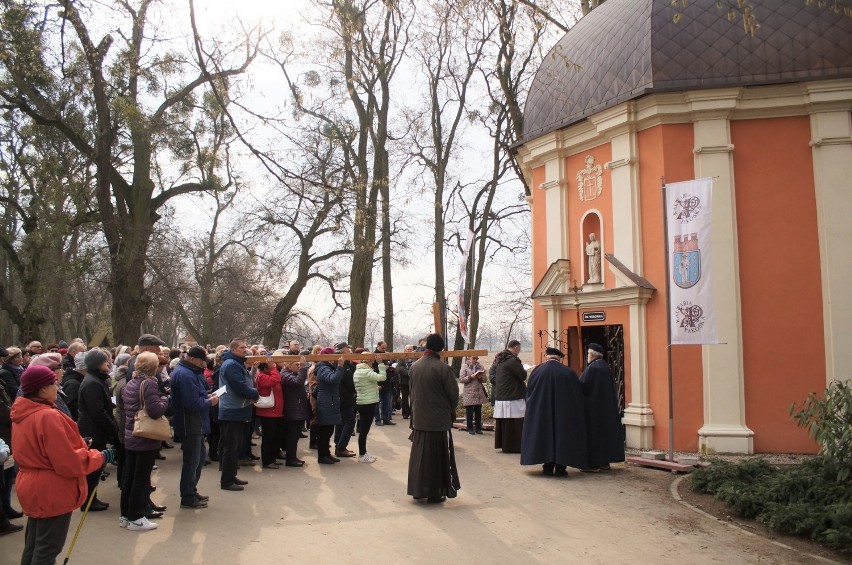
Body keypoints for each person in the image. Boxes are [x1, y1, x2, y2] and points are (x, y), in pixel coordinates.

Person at [11, 365, 113, 561]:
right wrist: (100, 457)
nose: (57, 388)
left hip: (32, 484)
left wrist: (79, 444)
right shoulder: (47, 416)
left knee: (34, 544)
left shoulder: (23, 411)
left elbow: (42, 448)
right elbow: (68, 463)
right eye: (54, 383)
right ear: (42, 389)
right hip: (51, 489)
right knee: (48, 549)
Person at [407, 333, 460, 504]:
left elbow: (412, 391)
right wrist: (450, 411)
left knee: (419, 457)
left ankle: (417, 490)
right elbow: (453, 395)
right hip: (437, 420)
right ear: (441, 349)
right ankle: (435, 492)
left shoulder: (415, 366)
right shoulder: (442, 368)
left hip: (419, 418)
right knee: (436, 458)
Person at [521, 347, 589, 476]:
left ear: (547, 357)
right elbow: (577, 394)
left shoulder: (537, 371)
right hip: (563, 412)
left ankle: (547, 467)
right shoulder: (568, 372)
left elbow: (529, 392)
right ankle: (560, 468)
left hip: (541, 412)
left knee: (544, 435)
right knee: (561, 437)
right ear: (559, 358)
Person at [121, 351, 170, 531]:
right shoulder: (149, 383)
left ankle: (126, 515)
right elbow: (155, 410)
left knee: (130, 477)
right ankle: (136, 517)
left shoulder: (131, 382)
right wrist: (165, 399)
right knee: (141, 479)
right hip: (144, 437)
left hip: (131, 434)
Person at [170, 346, 218, 508]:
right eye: (201, 361)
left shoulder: (189, 372)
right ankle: (187, 496)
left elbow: (196, 395)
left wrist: (207, 396)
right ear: (192, 359)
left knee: (198, 460)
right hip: (190, 423)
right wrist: (209, 401)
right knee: (192, 462)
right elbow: (191, 403)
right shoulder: (185, 375)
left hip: (195, 422)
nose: (203, 365)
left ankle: (191, 490)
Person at [77, 348, 119, 512]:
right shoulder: (92, 383)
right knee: (93, 468)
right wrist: (113, 429)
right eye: (104, 361)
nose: (108, 364)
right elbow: (98, 412)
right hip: (93, 432)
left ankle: (91, 498)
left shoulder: (96, 380)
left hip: (96, 429)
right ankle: (88, 501)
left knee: (95, 468)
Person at [218, 339, 259, 491]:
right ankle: (227, 481)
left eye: (246, 347)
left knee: (235, 446)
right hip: (232, 410)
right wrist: (255, 393)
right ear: (234, 349)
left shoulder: (236, 363)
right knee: (231, 446)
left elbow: (245, 381)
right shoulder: (231, 365)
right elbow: (239, 386)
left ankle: (232, 475)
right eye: (242, 347)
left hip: (238, 409)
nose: (245, 349)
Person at [580, 343, 625, 471]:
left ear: (592, 355)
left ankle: (593, 464)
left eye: (588, 353)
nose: (587, 356)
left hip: (593, 409)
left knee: (594, 436)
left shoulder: (592, 368)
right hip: (606, 408)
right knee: (604, 435)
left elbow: (582, 386)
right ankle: (605, 462)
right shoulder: (606, 367)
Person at [493, 340, 527, 453]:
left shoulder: (500, 359)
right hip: (513, 395)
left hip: (502, 395)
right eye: (519, 349)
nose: (519, 351)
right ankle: (515, 446)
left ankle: (505, 445)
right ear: (516, 347)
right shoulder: (512, 360)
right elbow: (522, 375)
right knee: (515, 423)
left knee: (505, 423)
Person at [353, 353, 387, 463]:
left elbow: (363, 385)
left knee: (363, 429)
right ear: (367, 361)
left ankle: (363, 453)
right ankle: (362, 455)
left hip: (362, 402)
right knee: (364, 431)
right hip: (368, 403)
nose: (373, 363)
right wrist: (381, 364)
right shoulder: (367, 372)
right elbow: (382, 377)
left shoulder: (357, 371)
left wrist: (374, 387)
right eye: (372, 361)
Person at [313, 348, 344, 465]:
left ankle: (326, 454)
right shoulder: (323, 368)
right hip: (327, 402)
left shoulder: (327, 367)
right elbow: (333, 379)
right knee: (324, 432)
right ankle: (322, 456)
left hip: (329, 402)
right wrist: (340, 367)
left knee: (328, 430)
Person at [253, 361, 284, 469]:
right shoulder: (262, 376)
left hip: (273, 412)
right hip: (268, 412)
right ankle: (267, 461)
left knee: (273, 437)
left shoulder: (265, 375)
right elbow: (275, 380)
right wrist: (273, 368)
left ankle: (272, 458)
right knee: (268, 438)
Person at [280, 359, 308, 467]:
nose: (299, 366)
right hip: (293, 409)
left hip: (297, 408)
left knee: (294, 436)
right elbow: (298, 382)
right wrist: (303, 368)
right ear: (288, 365)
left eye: (299, 364)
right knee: (292, 436)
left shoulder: (291, 373)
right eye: (296, 364)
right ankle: (290, 459)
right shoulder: (285, 374)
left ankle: (292, 457)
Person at [333, 342, 357, 459]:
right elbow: (349, 381)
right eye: (348, 348)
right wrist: (354, 390)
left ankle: (339, 445)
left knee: (341, 421)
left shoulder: (344, 362)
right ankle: (341, 447)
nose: (349, 350)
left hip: (342, 396)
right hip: (344, 397)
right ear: (343, 350)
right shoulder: (341, 363)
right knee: (350, 421)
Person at [459, 356, 487, 435]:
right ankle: (470, 428)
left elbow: (485, 379)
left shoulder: (480, 366)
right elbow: (461, 379)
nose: (475, 360)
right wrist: (470, 377)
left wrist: (480, 377)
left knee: (478, 411)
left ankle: (478, 428)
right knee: (470, 411)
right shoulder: (465, 366)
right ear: (469, 358)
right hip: (469, 391)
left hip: (478, 391)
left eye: (476, 359)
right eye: (473, 358)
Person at [373, 341, 395, 426]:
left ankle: (386, 419)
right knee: (377, 402)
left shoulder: (386, 355)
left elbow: (388, 364)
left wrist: (389, 368)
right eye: (382, 348)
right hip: (378, 382)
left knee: (386, 402)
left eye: (385, 348)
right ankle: (378, 420)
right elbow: (372, 368)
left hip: (386, 381)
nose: (384, 350)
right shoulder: (374, 355)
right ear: (378, 346)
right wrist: (381, 368)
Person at [397, 344, 414, 419]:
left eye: (411, 349)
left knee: (413, 398)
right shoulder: (401, 357)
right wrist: (408, 373)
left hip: (413, 381)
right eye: (408, 349)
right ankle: (405, 413)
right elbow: (400, 367)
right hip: (404, 381)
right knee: (405, 398)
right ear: (405, 350)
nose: (409, 351)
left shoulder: (415, 357)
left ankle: (413, 412)